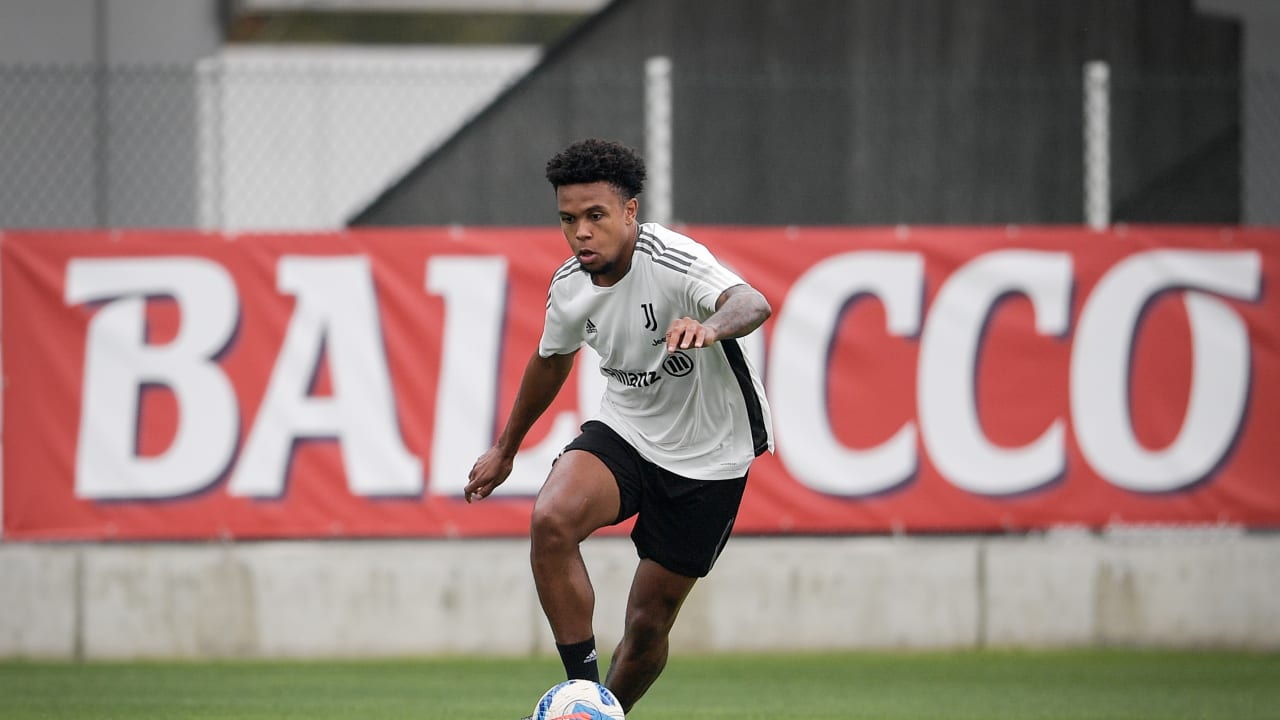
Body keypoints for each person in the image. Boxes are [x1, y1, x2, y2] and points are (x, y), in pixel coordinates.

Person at [464, 138, 773, 716]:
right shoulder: (569, 284)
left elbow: (751, 302)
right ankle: (580, 695)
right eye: (568, 219)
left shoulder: (672, 258)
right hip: (627, 429)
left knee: (647, 625)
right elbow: (552, 359)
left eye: (595, 216)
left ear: (630, 211)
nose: (581, 232)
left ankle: (607, 710)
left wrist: (712, 327)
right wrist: (506, 450)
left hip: (710, 457)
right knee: (552, 519)